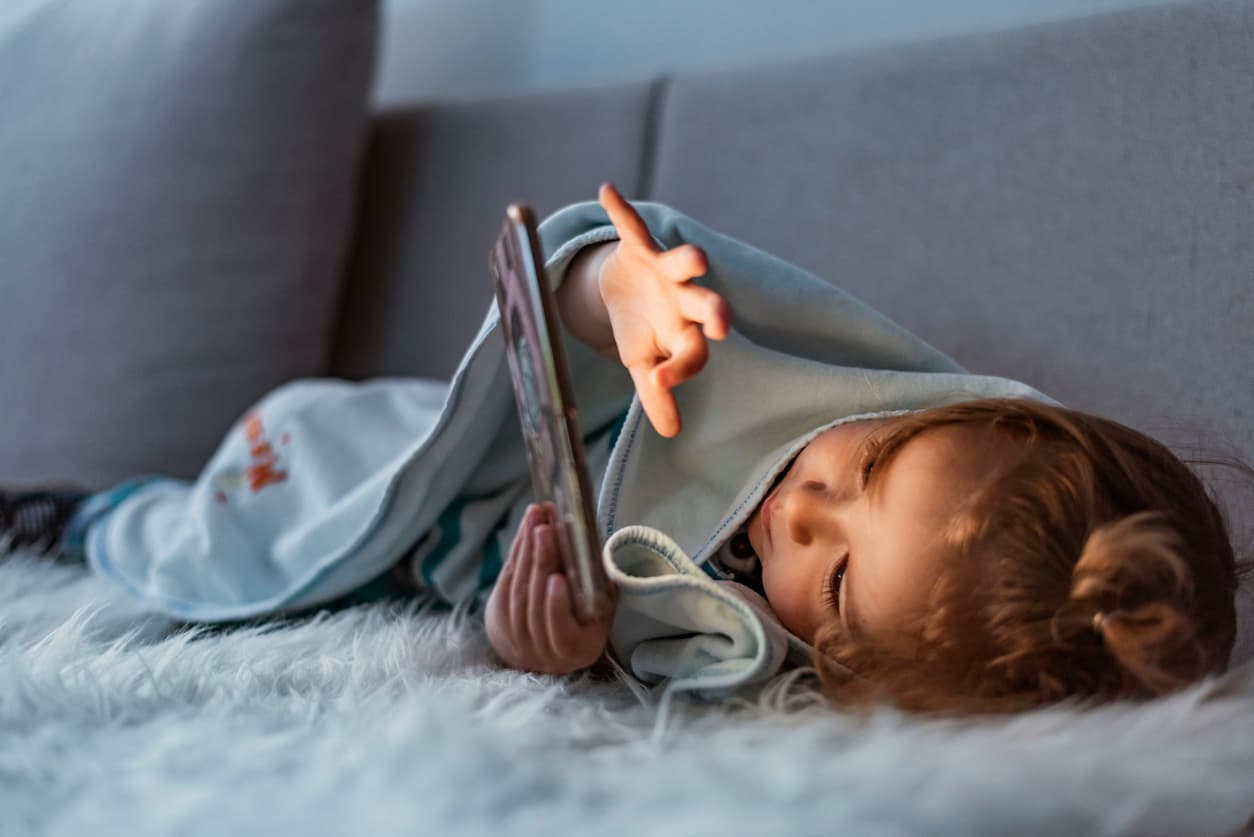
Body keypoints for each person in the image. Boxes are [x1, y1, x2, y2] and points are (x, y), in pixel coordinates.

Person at [2, 185, 1247, 714]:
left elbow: (632, 669)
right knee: (247, 511)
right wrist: (621, 293)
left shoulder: (760, 664)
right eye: (869, 468)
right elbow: (579, 298)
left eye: (847, 578)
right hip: (426, 466)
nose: (804, 511)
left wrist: (535, 647)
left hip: (452, 564)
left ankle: (84, 516)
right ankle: (83, 509)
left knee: (223, 555)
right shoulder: (782, 360)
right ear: (937, 402)